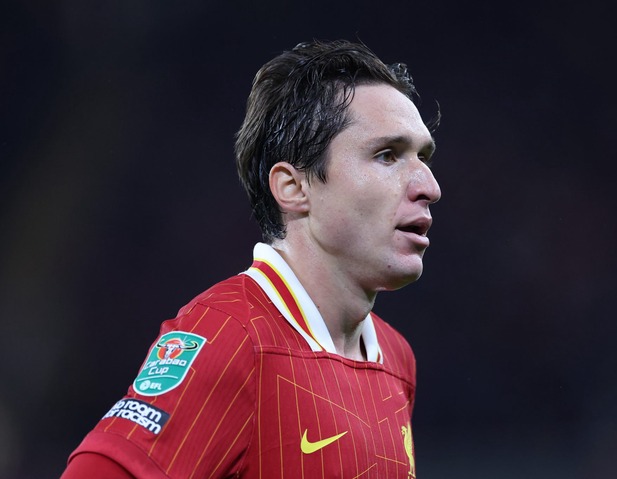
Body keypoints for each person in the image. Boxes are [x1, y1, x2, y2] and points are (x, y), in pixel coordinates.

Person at [61, 38, 441, 478]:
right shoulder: (232, 336)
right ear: (294, 188)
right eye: (387, 155)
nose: (428, 186)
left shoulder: (396, 358)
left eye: (424, 156)